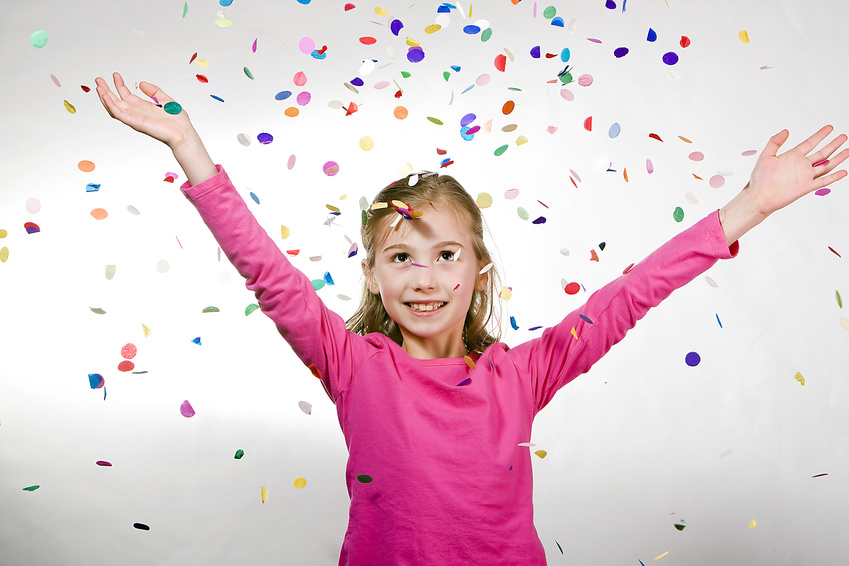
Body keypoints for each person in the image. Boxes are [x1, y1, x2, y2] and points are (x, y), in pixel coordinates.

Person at [95, 72, 847, 565]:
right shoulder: (352, 366)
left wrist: (750, 204)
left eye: (446, 255)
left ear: (478, 268)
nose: (424, 278)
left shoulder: (520, 375)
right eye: (401, 257)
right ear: (373, 275)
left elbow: (631, 294)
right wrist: (188, 146)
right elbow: (267, 271)